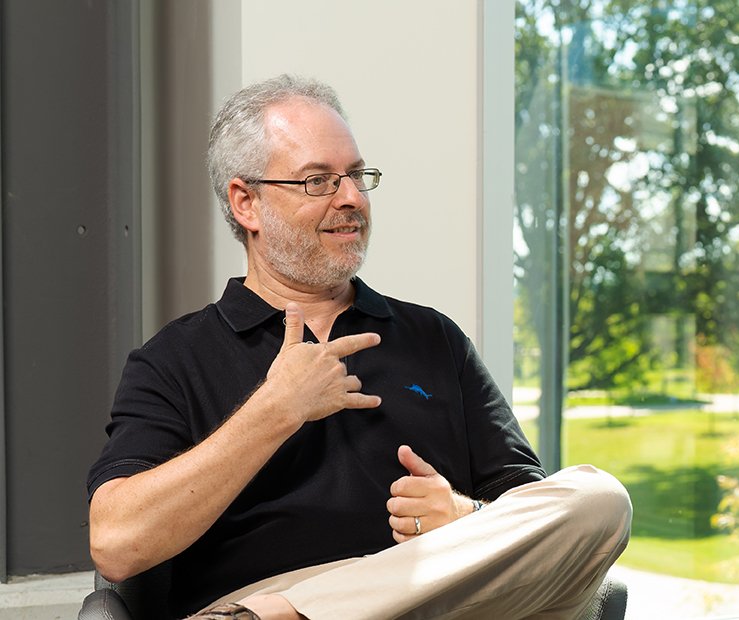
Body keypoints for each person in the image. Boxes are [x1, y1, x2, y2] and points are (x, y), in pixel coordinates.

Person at [86, 75, 631, 620]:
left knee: (599, 500)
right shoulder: (175, 359)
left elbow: (538, 522)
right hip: (265, 586)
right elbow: (116, 545)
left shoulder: (435, 339)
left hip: (439, 595)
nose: (351, 198)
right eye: (318, 181)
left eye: (356, 176)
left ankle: (285, 613)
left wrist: (466, 516)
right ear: (246, 203)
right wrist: (275, 409)